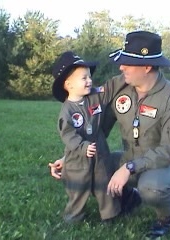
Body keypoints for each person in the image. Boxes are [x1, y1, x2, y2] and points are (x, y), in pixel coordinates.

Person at [50, 31, 170, 239]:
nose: (121, 67)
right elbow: (95, 128)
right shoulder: (119, 86)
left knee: (152, 188)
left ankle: (165, 218)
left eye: (127, 63)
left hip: (162, 165)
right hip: (128, 158)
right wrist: (69, 156)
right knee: (87, 166)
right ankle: (128, 198)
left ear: (147, 67)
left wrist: (129, 168)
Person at [49, 51, 126, 223]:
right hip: (77, 158)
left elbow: (111, 87)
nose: (89, 81)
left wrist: (125, 74)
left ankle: (110, 214)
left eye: (89, 77)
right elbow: (67, 134)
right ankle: (73, 217)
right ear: (69, 85)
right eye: (84, 78)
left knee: (104, 183)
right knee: (78, 189)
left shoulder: (95, 96)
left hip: (100, 152)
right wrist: (82, 146)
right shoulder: (67, 111)